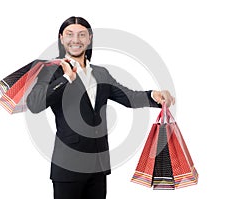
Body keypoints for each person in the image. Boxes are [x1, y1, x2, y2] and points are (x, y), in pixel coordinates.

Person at [26, 16, 175, 199]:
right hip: (68, 167)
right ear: (61, 38)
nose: (76, 40)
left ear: (89, 38)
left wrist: (154, 95)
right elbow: (34, 104)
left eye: (82, 35)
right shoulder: (50, 70)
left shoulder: (101, 73)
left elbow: (129, 97)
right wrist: (66, 79)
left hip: (98, 166)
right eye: (69, 34)